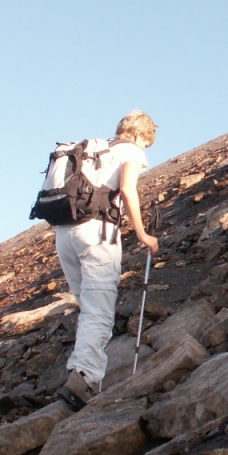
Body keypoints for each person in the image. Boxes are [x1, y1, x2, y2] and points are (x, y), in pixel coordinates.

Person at [56, 110, 160, 410]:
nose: (145, 147)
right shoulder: (131, 151)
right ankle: (83, 380)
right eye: (146, 142)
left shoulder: (94, 149)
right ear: (139, 134)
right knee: (99, 310)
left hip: (65, 232)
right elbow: (127, 190)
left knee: (88, 307)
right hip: (97, 234)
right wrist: (142, 233)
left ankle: (82, 374)